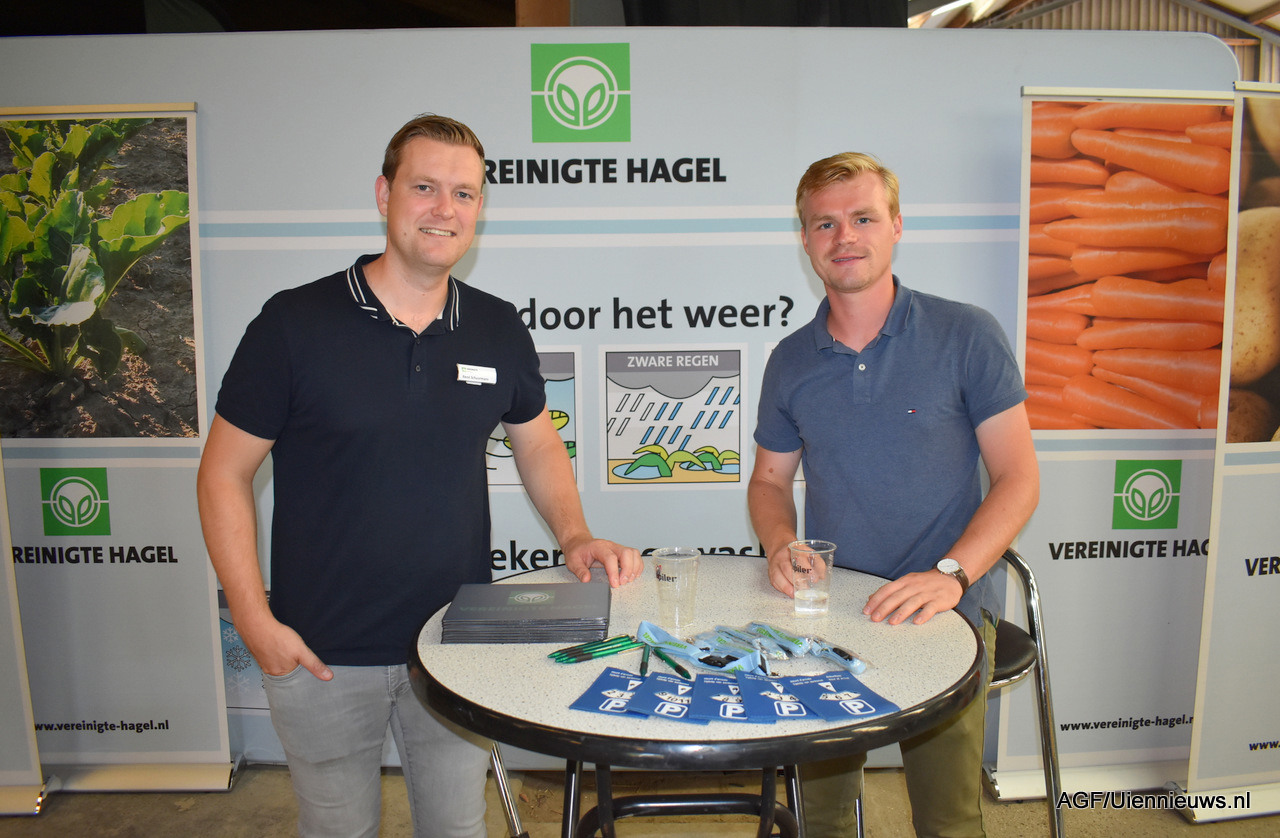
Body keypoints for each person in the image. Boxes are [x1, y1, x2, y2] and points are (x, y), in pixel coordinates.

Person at [196, 114, 643, 838]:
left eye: (464, 194)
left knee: (456, 829)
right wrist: (254, 622)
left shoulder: (497, 327)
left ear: (480, 208)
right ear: (385, 194)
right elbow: (223, 474)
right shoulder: (294, 324)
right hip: (320, 654)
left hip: (453, 647)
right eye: (425, 187)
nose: (445, 209)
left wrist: (575, 534)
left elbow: (536, 443)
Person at [748, 152, 1039, 838]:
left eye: (863, 218)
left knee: (947, 820)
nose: (844, 236)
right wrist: (780, 543)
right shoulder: (790, 360)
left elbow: (1019, 478)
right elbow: (768, 481)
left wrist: (951, 574)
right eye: (825, 223)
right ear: (806, 239)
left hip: (947, 608)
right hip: (828, 611)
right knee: (817, 818)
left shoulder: (967, 334)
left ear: (897, 226)